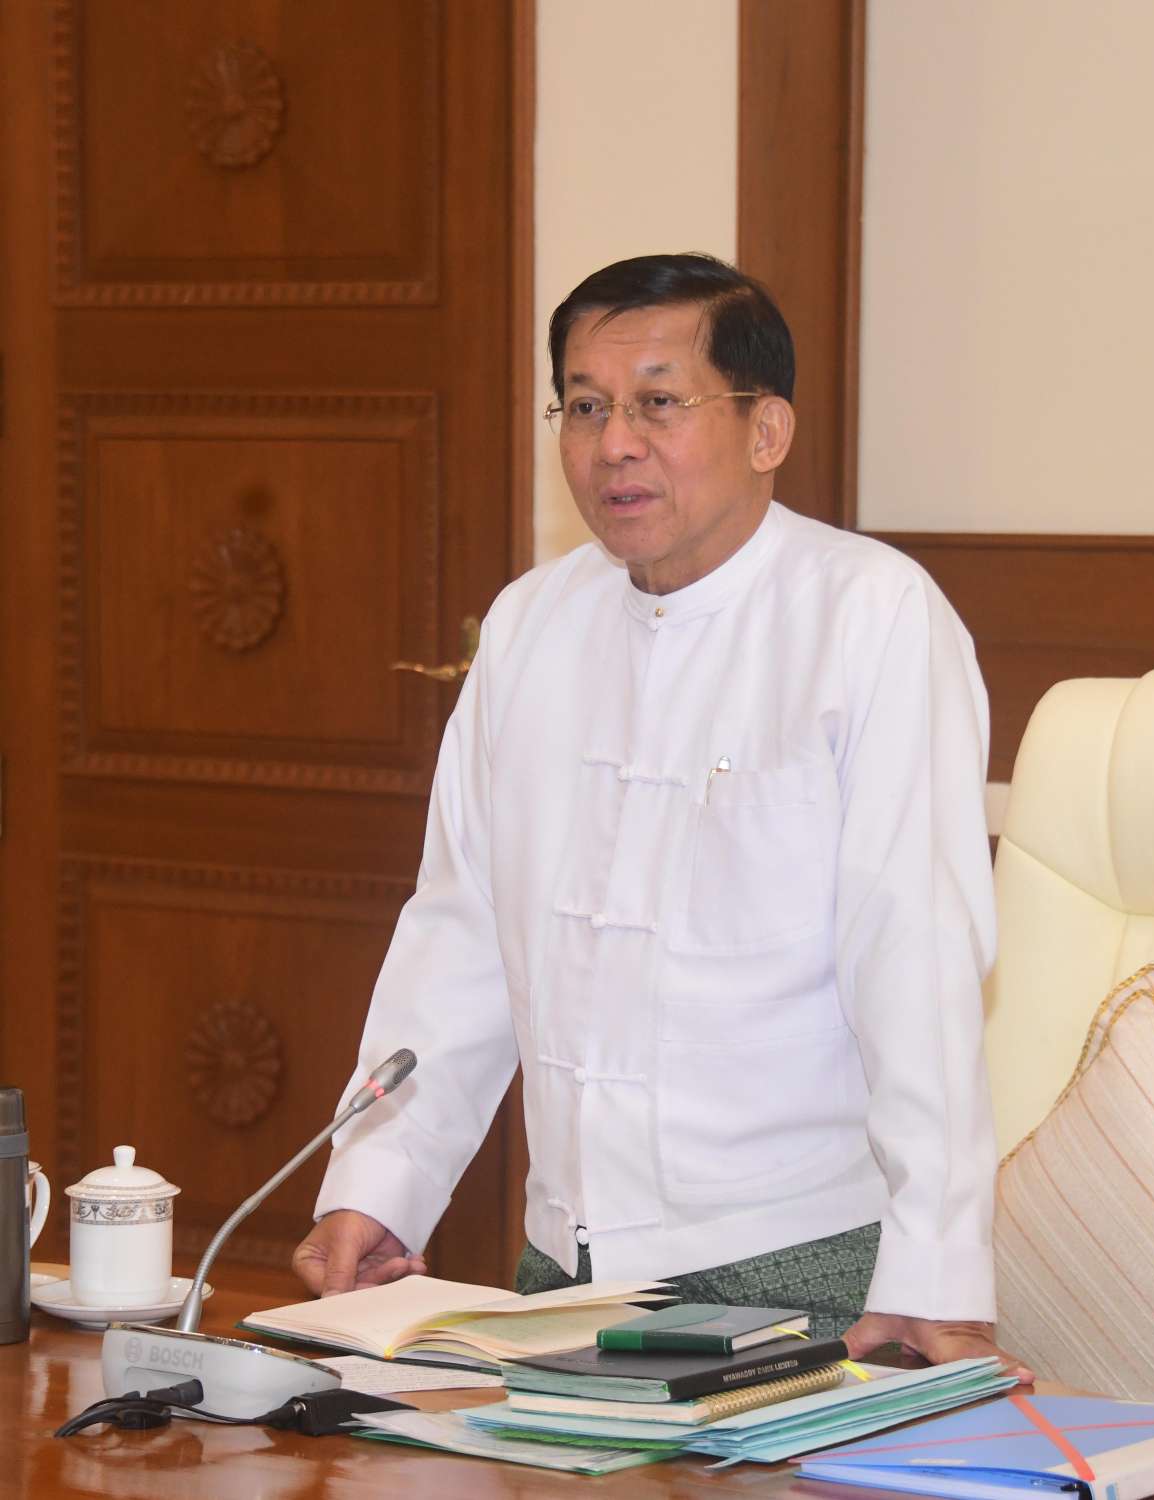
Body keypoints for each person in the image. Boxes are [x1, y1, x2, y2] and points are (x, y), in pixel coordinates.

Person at [293, 252, 1031, 1376]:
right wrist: (382, 1183)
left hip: (803, 1266)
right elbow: (460, 934)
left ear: (765, 430)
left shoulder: (869, 615)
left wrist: (934, 1271)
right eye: (585, 406)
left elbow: (915, 959)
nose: (614, 444)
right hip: (564, 1269)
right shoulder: (530, 624)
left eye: (657, 403)